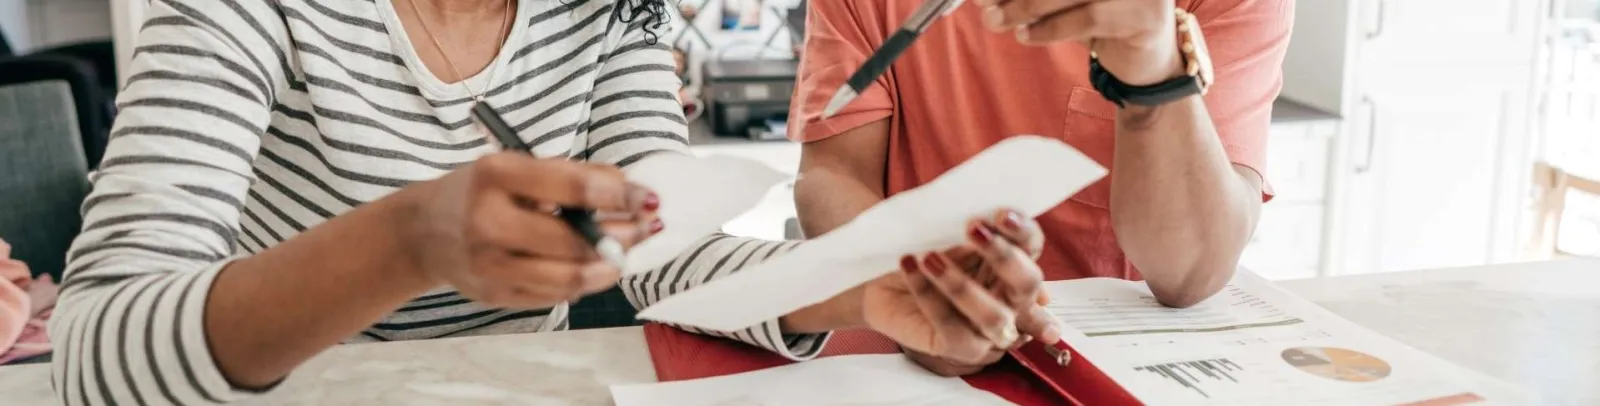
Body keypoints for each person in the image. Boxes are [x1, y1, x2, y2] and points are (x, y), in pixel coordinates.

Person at [50, 0, 1056, 404]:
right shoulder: (239, 11)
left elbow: (670, 255)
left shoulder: (606, 11)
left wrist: (862, 283)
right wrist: (409, 238)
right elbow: (96, 347)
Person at [791, 0, 1291, 375]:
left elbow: (1189, 273)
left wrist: (1153, 73)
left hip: (1129, 365)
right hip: (914, 362)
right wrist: (905, 293)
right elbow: (834, 172)